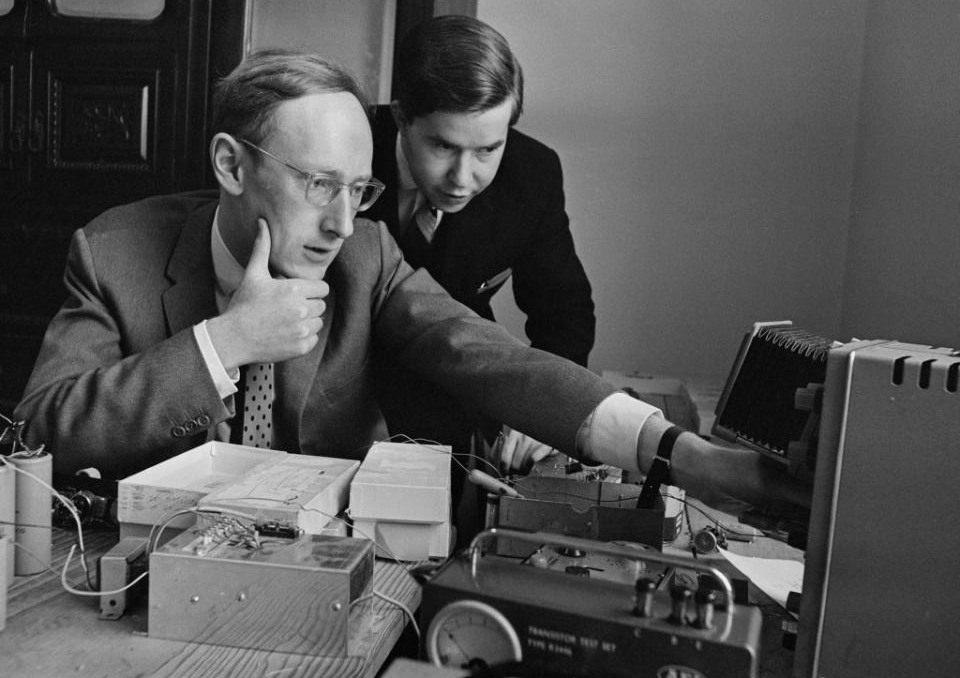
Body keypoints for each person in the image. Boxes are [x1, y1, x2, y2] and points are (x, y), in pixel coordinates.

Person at [14, 49, 807, 516]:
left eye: (359, 189)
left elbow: (492, 358)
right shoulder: (114, 252)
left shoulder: (366, 253)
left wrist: (682, 454)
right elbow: (42, 432)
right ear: (231, 165)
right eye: (318, 184)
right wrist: (223, 343)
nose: (341, 222)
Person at [366, 15, 593, 473]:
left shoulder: (533, 174)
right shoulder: (341, 151)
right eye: (444, 147)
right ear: (401, 118)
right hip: (335, 408)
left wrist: (545, 411)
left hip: (456, 413)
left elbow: (563, 312)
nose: (463, 178)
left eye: (488, 149)